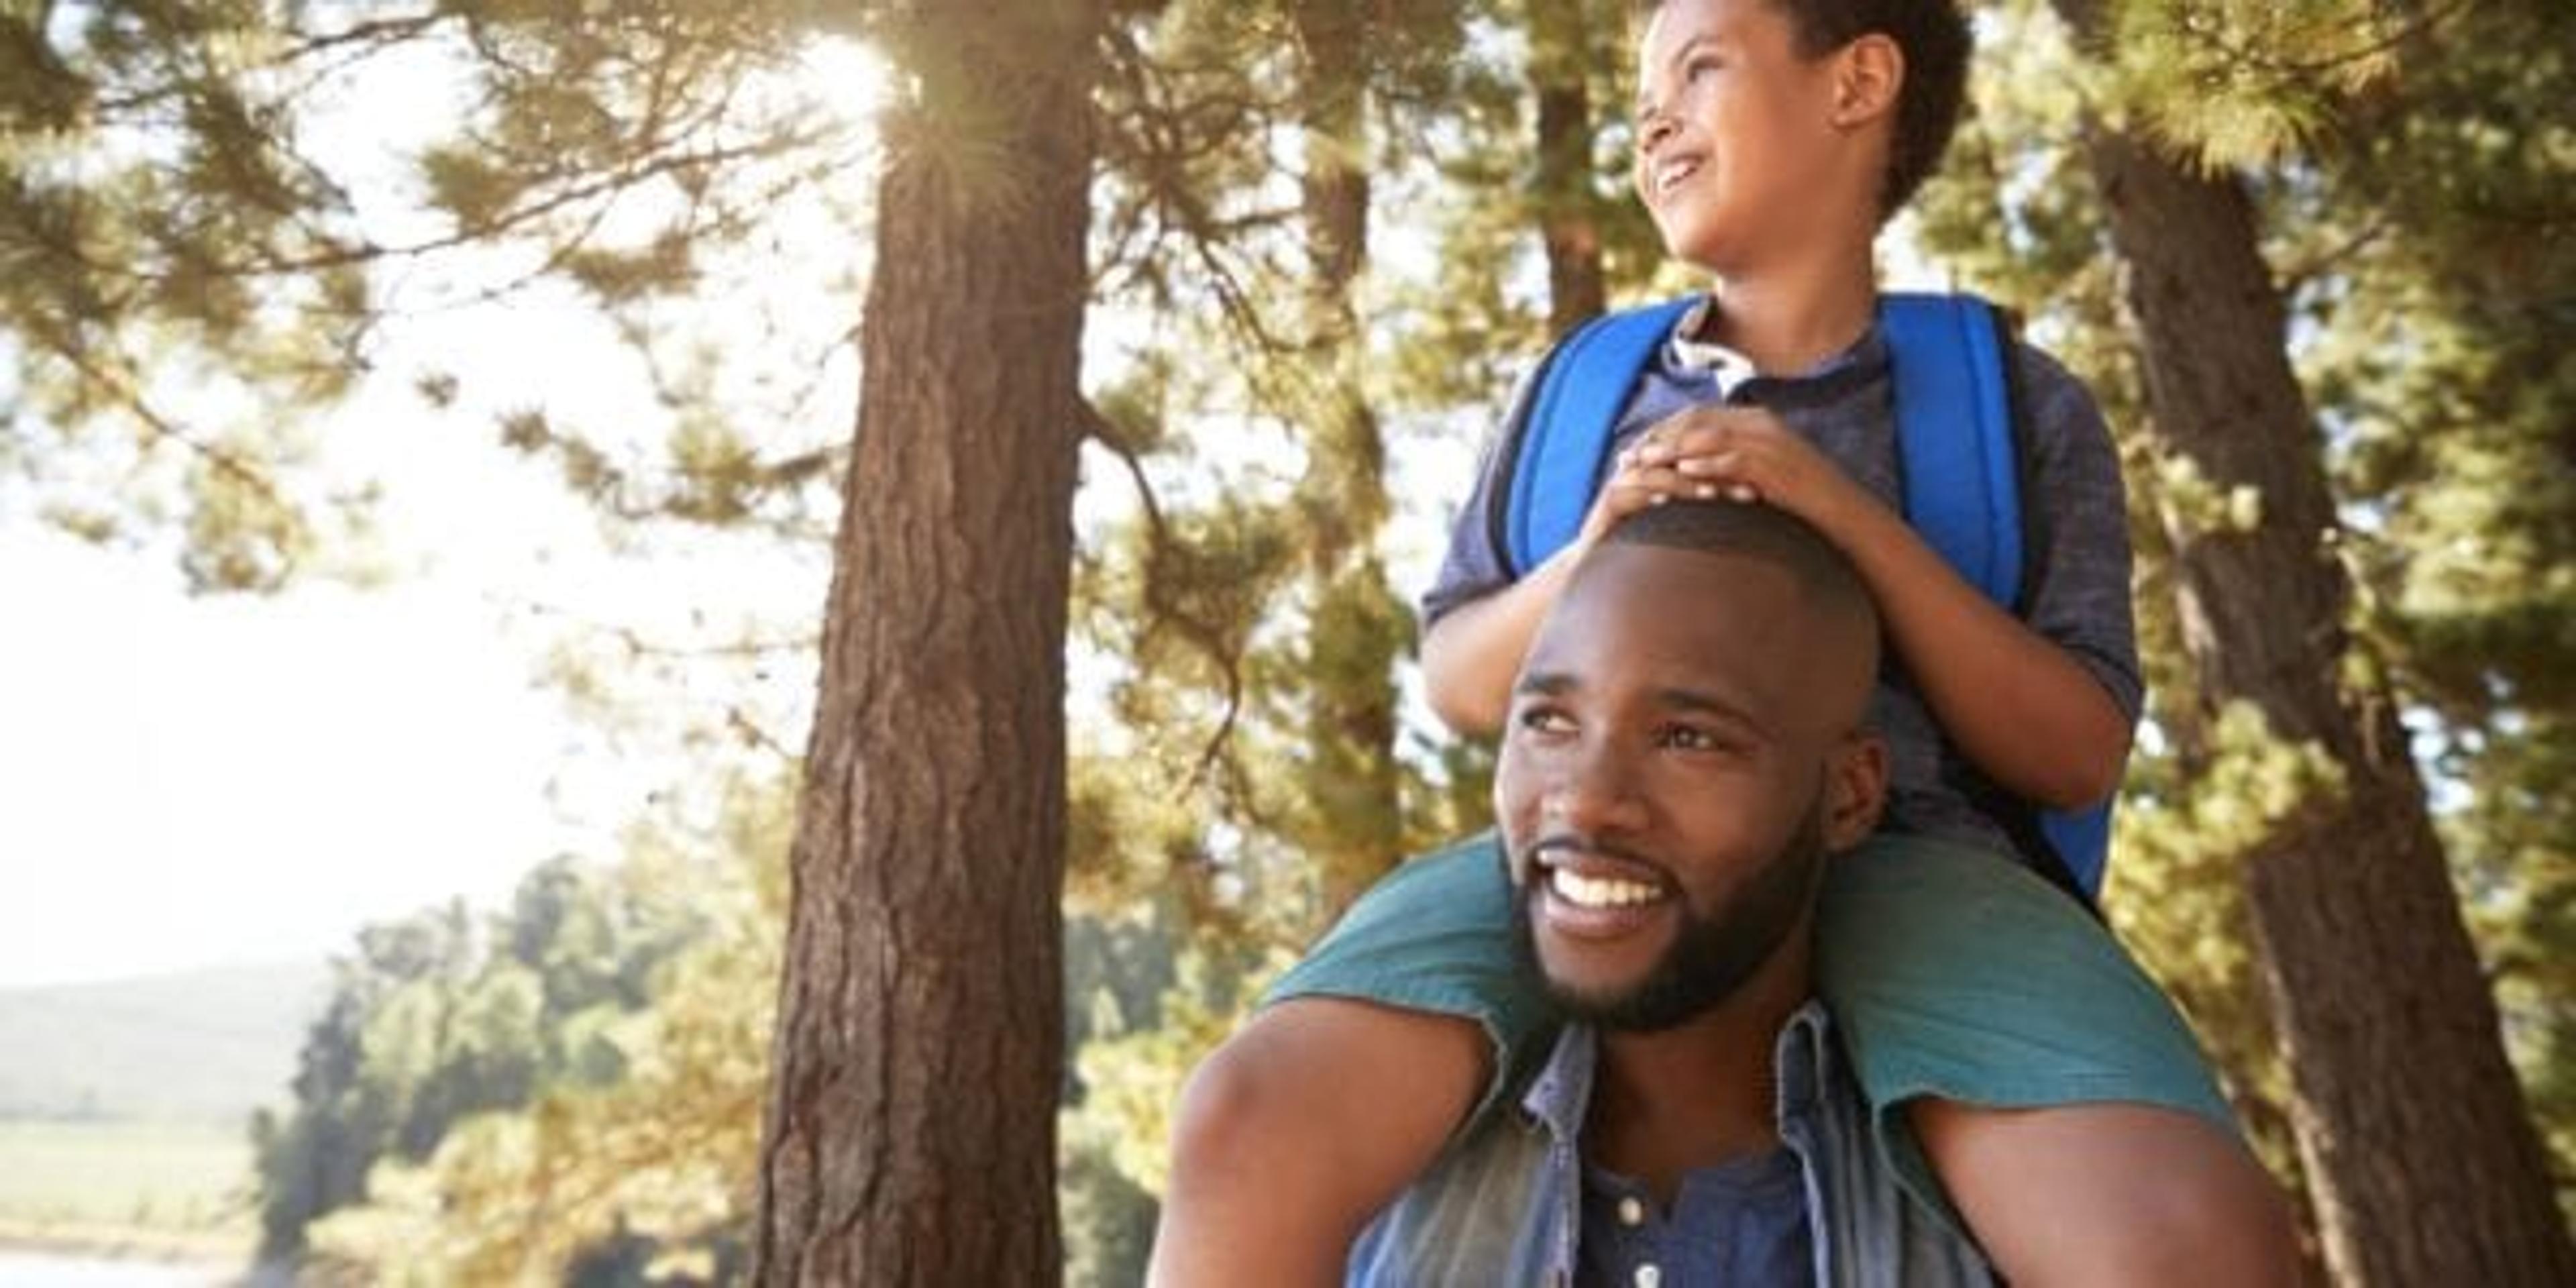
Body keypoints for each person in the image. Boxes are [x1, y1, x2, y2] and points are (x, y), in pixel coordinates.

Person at [1150, 0, 2298, 1283]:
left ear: (1858, 81)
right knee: (1252, 1119)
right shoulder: (1574, 394)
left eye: (1700, 67)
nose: (1653, 115)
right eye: (1645, 86)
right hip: (1581, 845)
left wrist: (1836, 509)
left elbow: (2076, 751)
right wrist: (1591, 549)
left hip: (1927, 873)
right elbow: (1466, 681)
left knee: (2177, 1238)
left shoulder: (2016, 406)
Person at [1350, 499, 1988, 1284]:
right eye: (1550, 721)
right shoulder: (1363, 1192)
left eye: (1689, 739)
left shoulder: (1993, 1222)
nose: (1584, 801)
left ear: (1848, 797)